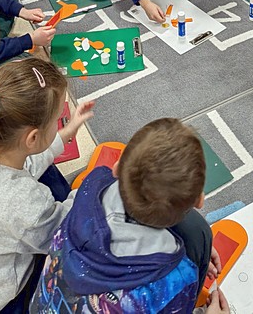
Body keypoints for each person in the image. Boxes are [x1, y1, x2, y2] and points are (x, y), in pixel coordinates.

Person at [0, 58, 94, 314]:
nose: (60, 124)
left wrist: (66, 134)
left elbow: (30, 160)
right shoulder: (24, 203)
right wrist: (91, 186)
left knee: (46, 174)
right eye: (58, 120)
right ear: (32, 137)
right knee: (76, 259)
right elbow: (62, 233)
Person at [30, 118, 229, 314]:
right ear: (199, 201)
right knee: (196, 230)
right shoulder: (178, 278)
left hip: (42, 307)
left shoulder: (91, 186)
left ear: (117, 166)